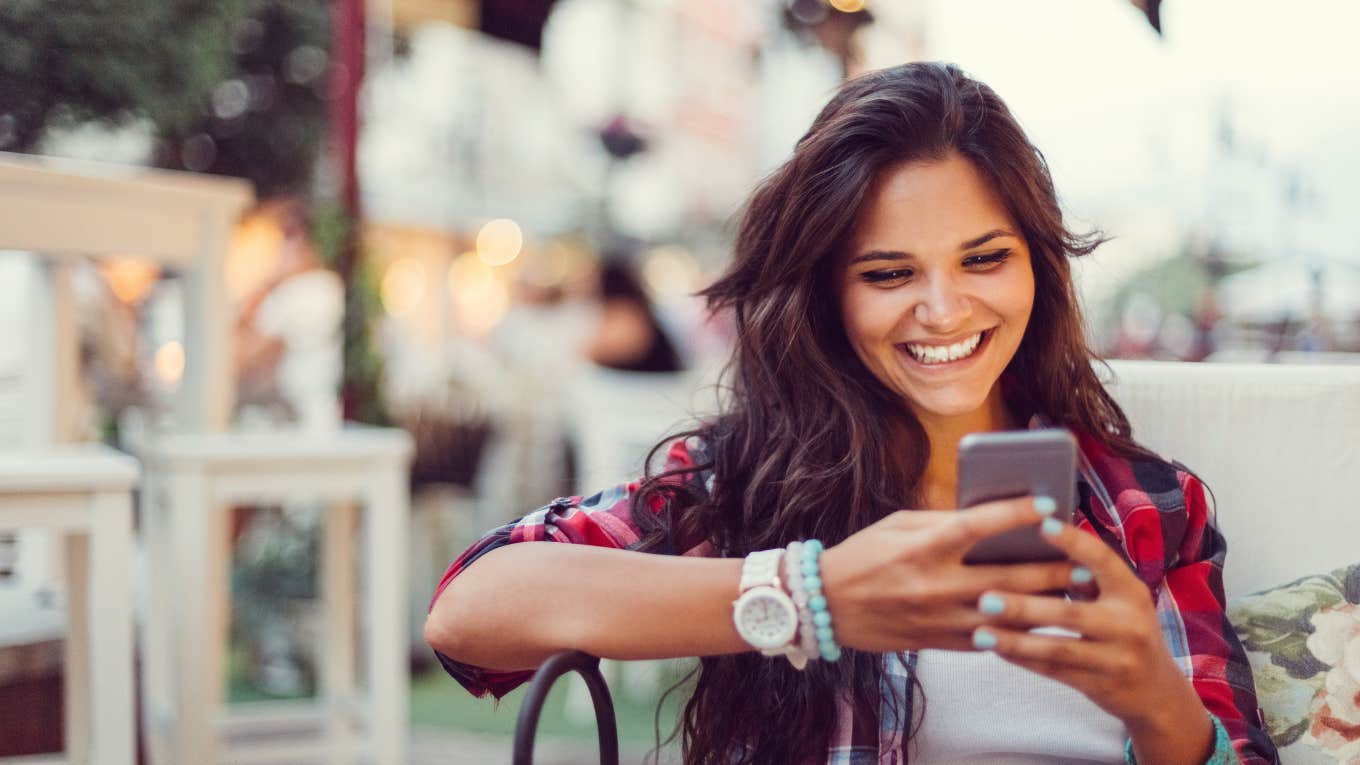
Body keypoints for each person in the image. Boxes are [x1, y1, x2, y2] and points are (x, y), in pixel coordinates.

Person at [424, 62, 1278, 765]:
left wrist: (1158, 704)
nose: (943, 310)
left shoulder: (1154, 508)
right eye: (888, 273)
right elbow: (469, 615)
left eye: (984, 258)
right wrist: (806, 595)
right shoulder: (748, 482)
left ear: (1039, 270)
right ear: (827, 296)